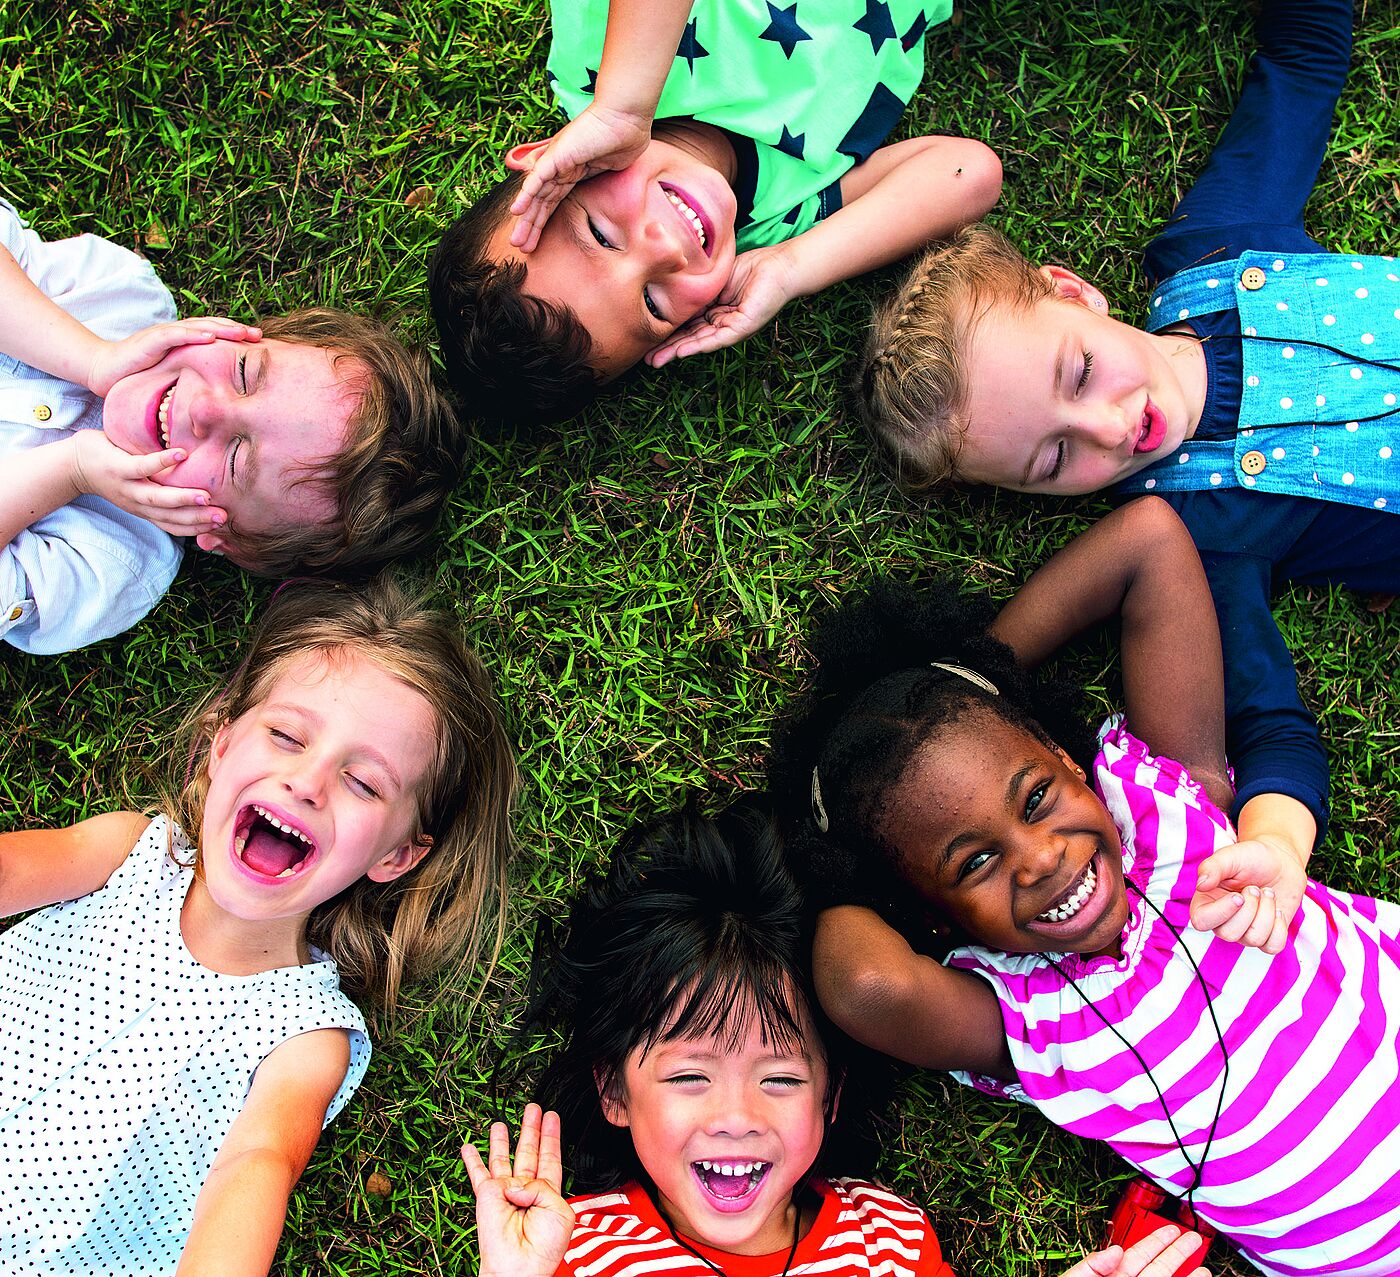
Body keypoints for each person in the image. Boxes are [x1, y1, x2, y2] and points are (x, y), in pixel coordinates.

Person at [768, 498, 1400, 1276]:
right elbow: (863, 982)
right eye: (973, 864)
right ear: (935, 923)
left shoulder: (1170, 812)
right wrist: (826, 861)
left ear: (1070, 762)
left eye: (1036, 797)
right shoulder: (1029, 1022)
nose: (1038, 859)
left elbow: (1149, 541)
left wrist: (968, 683)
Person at [854, 0, 1388, 868]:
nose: (1110, 428)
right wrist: (1277, 848)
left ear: (1071, 292)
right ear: (1026, 493)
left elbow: (1301, 68)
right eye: (1056, 458)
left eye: (1079, 373)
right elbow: (1272, 726)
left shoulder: (1215, 248)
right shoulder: (1202, 535)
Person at [0, 575, 518, 1274]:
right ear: (221, 744)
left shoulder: (306, 1034)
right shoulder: (127, 852)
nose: (307, 781)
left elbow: (254, 1168)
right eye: (285, 735)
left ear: (396, 854)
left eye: (364, 782)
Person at [462, 798, 1207, 1277]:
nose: (737, 1113)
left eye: (780, 1077)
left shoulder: (887, 1237)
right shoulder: (568, 1248)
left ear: (832, 1093)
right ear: (615, 1090)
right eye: (691, 1075)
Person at [429, 0, 1002, 428]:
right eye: (653, 305)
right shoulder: (779, 221)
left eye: (601, 235)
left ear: (546, 164)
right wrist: (788, 269)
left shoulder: (599, 61)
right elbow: (967, 173)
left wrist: (623, 105)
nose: (663, 251)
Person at [1, 199, 462, 654]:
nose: (205, 409)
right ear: (240, 332)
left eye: (238, 459)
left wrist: (70, 470)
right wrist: (90, 357)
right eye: (244, 372)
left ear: (223, 538)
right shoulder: (119, 294)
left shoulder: (111, 565)